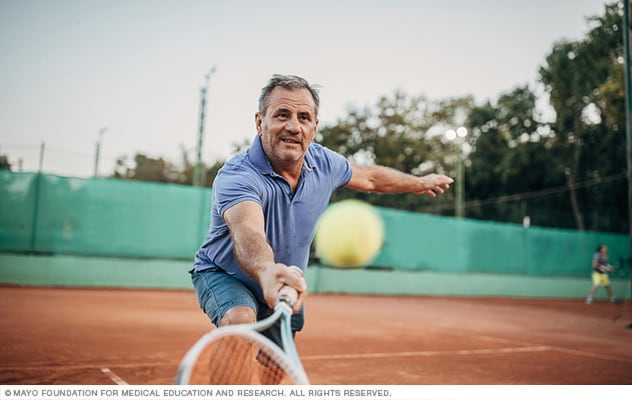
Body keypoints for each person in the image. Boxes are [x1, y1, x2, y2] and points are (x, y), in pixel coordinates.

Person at [190, 74, 454, 351]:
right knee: (240, 321)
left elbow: (371, 178)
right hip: (226, 273)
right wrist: (267, 271)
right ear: (260, 122)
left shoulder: (325, 163)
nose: (294, 126)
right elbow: (248, 230)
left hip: (287, 279)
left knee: (275, 366)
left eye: (304, 117)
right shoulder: (238, 175)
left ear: (314, 127)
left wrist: (419, 182)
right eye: (282, 115)